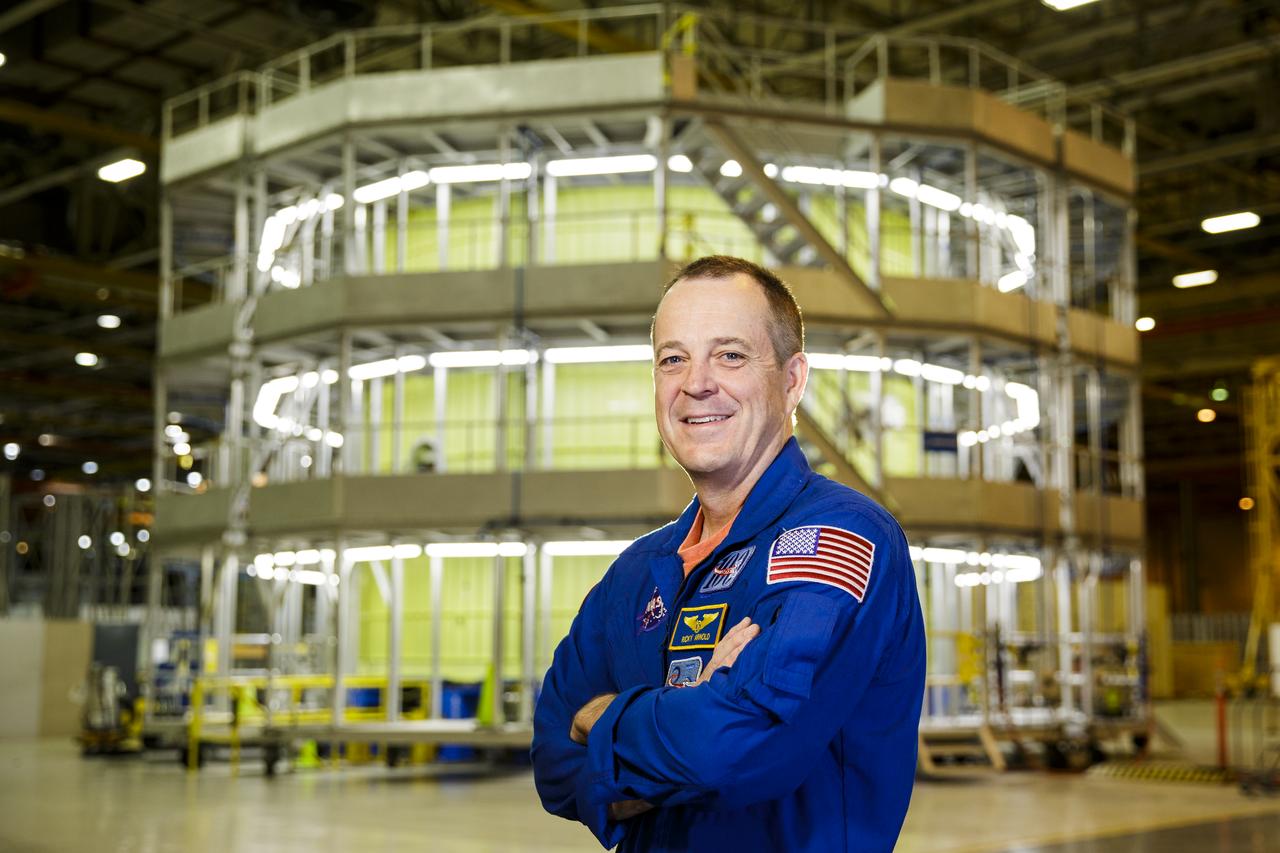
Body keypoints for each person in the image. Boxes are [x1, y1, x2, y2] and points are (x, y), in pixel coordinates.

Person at [531, 255, 926, 852]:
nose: (696, 383)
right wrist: (689, 716)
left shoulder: (839, 539)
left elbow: (737, 748)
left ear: (792, 380)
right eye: (673, 358)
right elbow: (553, 760)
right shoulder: (638, 572)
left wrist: (603, 720)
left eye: (730, 355)